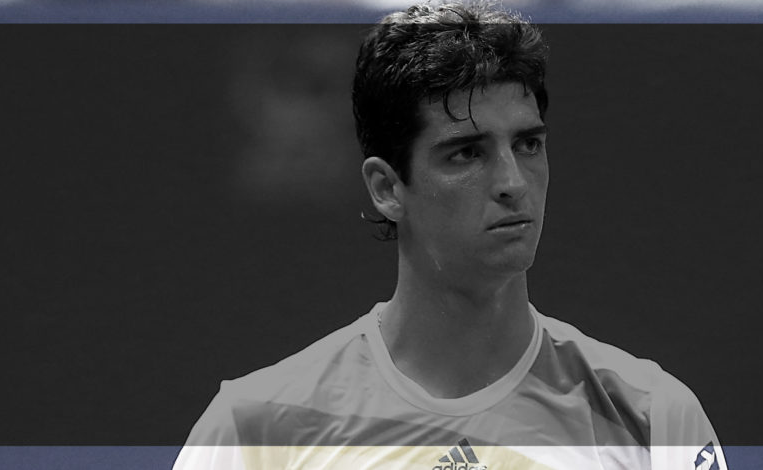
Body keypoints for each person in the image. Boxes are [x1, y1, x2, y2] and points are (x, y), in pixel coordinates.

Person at [174, 2, 727, 469]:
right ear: (387, 188)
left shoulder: (653, 419)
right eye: (467, 153)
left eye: (528, 145)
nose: (513, 182)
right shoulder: (256, 431)